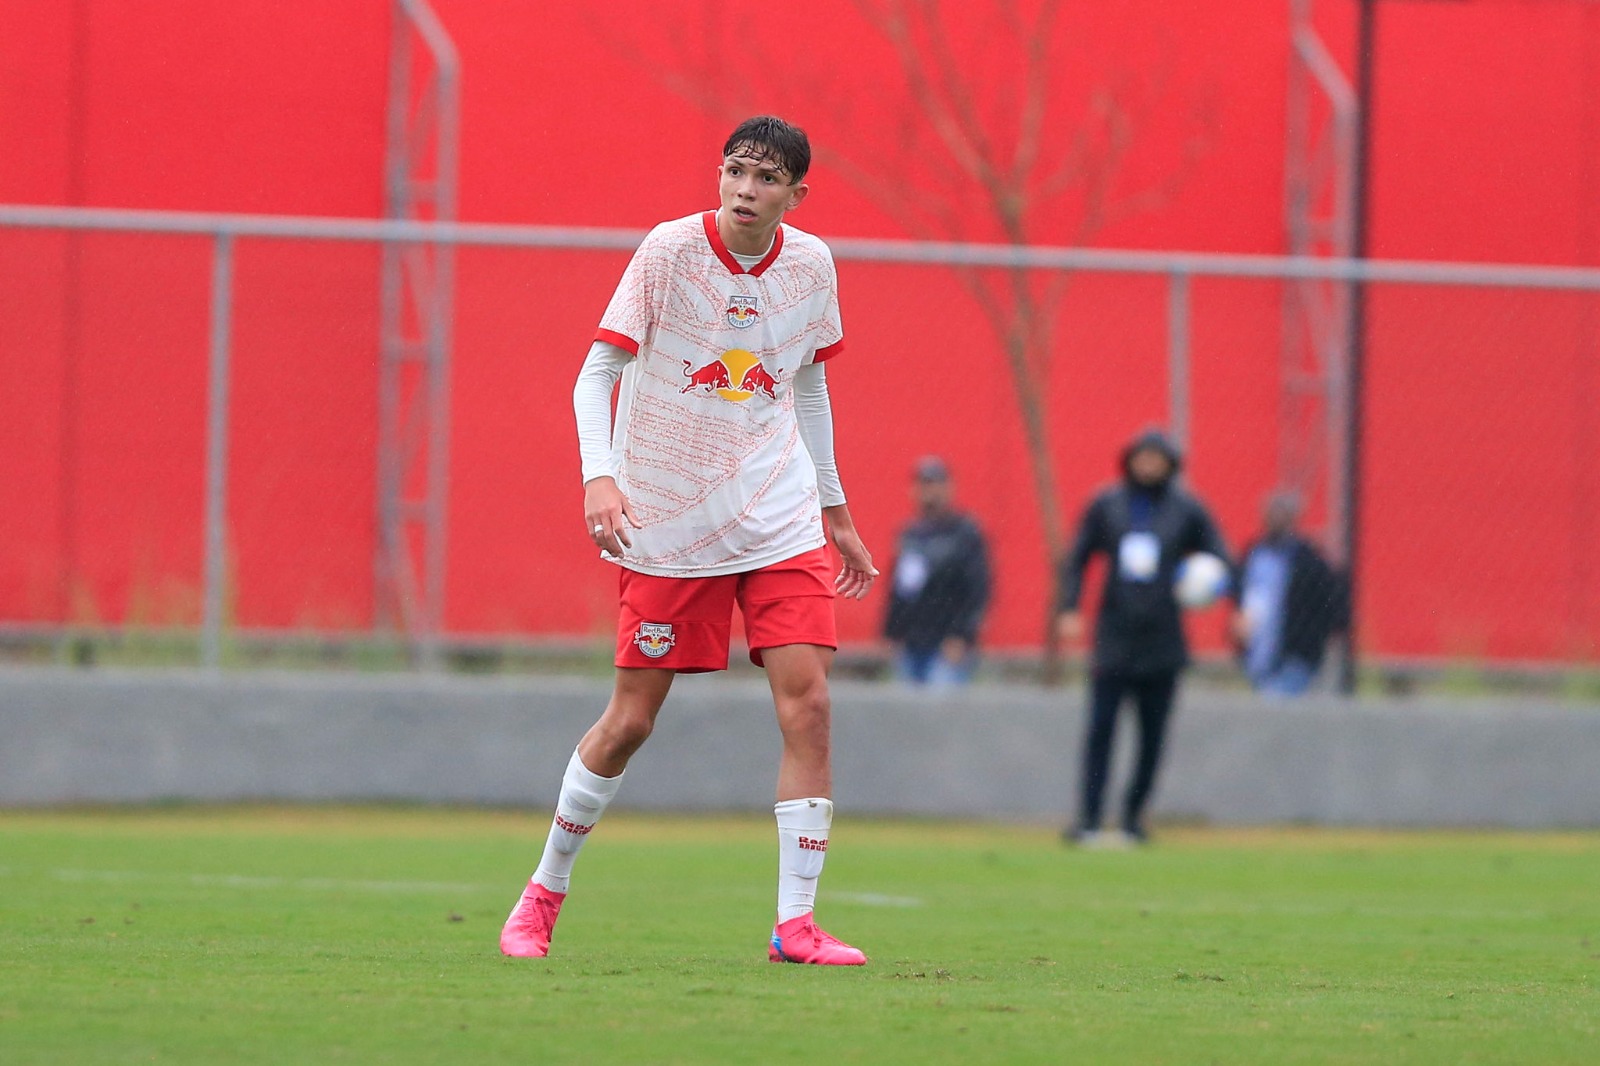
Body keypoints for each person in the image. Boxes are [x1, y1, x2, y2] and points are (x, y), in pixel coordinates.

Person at [499, 116, 878, 965]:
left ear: (796, 194)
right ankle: (542, 894)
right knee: (632, 720)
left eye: (768, 178)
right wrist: (601, 476)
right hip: (669, 514)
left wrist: (835, 510)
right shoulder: (669, 251)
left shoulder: (812, 265)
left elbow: (806, 386)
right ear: (720, 175)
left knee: (809, 703)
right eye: (737, 171)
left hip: (778, 510)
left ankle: (796, 926)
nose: (748, 189)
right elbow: (597, 372)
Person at [1054, 428, 1231, 846]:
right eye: (1141, 457)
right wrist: (1070, 606)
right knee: (1100, 730)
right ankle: (1090, 818)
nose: (1148, 465)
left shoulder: (1186, 510)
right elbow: (1077, 558)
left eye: (1157, 458)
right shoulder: (1108, 505)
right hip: (1114, 636)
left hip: (1163, 640)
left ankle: (1134, 816)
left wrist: (1221, 593)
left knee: (1153, 735)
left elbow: (1220, 557)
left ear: (1170, 464)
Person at [883, 456, 992, 686]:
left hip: (947, 644)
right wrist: (892, 632)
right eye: (924, 485)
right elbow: (900, 588)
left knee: (941, 712)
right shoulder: (911, 536)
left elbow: (978, 589)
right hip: (912, 642)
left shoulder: (965, 534)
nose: (929, 492)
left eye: (935, 484)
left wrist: (963, 636)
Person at [1232, 491, 1349, 697]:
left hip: (1295, 654)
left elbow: (1333, 602)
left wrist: (1321, 636)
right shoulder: (1254, 554)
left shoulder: (1309, 561)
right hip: (1258, 651)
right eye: (1272, 512)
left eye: (1282, 513)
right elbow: (1243, 595)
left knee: (1276, 701)